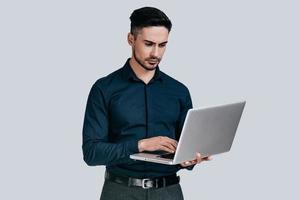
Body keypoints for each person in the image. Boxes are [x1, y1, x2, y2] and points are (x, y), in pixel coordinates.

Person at [82, 6, 212, 200]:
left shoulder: (179, 91)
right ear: (131, 39)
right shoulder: (104, 89)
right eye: (149, 44)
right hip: (119, 192)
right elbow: (92, 153)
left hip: (168, 192)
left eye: (162, 45)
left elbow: (184, 147)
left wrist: (189, 160)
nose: (156, 53)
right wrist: (141, 145)